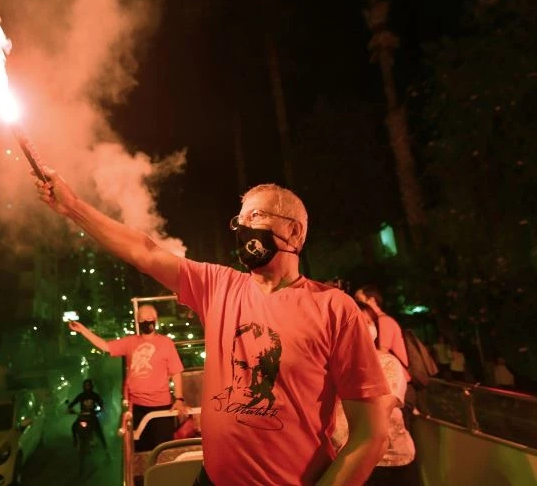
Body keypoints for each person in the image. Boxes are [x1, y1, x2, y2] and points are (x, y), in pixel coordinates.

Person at [34, 168, 392, 485]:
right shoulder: (218, 286)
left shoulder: (334, 309)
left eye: (256, 215)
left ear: (294, 231)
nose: (243, 228)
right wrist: (73, 207)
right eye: (239, 220)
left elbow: (370, 435)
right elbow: (144, 252)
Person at [68, 305, 186, 452]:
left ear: (155, 320)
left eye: (148, 318)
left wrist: (179, 399)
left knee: (163, 450)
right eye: (141, 319)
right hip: (136, 406)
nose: (145, 321)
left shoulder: (166, 343)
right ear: (137, 321)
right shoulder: (130, 342)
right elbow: (105, 346)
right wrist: (83, 330)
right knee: (142, 450)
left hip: (161, 407)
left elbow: (176, 372)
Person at [332, 302, 419, 485]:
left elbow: (378, 417)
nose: (360, 326)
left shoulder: (386, 363)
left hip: (389, 463)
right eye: (352, 321)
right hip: (341, 461)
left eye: (366, 321)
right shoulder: (329, 365)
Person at [355, 285, 410, 378]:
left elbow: (382, 352)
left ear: (372, 300)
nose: (355, 303)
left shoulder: (383, 321)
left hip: (397, 380)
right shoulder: (379, 321)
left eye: (358, 299)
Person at [67, 378, 108, 452]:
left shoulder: (95, 395)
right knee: (73, 426)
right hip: (82, 416)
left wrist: (101, 408)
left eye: (88, 385)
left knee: (99, 432)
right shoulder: (81, 395)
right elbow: (73, 403)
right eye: (86, 385)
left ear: (91, 386)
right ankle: (75, 440)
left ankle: (106, 450)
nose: (87, 387)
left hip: (92, 416)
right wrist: (69, 408)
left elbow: (101, 404)